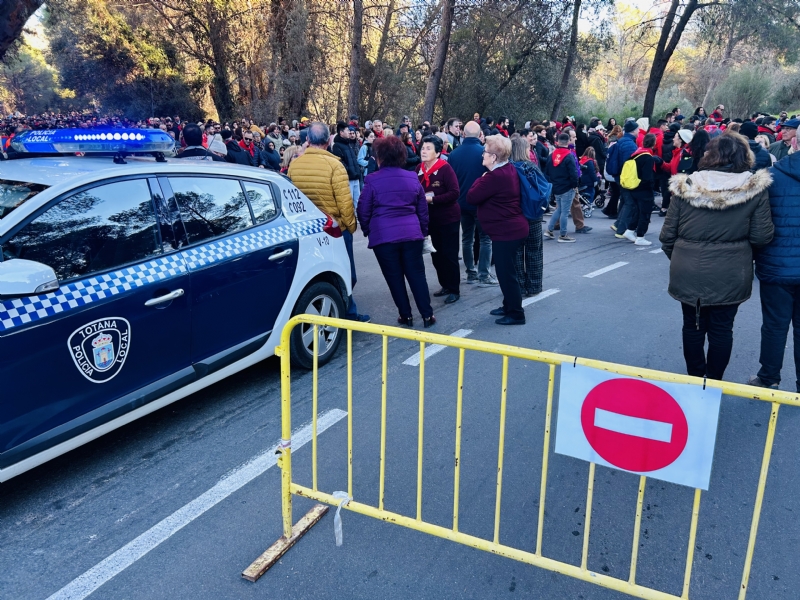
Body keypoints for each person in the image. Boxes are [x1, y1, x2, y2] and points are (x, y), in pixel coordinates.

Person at [660, 133, 774, 380]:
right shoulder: (754, 189)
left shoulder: (686, 186)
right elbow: (761, 236)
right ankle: (713, 382)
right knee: (722, 329)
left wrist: (682, 257)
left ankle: (694, 378)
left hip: (687, 268)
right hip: (732, 270)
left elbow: (667, 235)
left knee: (692, 325)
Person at [289, 122, 369, 322]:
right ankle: (349, 313)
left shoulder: (294, 165)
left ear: (307, 140)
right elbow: (345, 203)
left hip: (306, 228)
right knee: (345, 272)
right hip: (334, 228)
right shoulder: (334, 165)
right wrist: (350, 227)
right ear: (328, 141)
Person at [356, 136, 435, 328]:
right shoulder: (411, 177)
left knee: (394, 277)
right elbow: (422, 209)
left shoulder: (372, 180)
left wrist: (368, 230)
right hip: (411, 234)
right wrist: (422, 232)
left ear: (380, 157)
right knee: (417, 274)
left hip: (384, 236)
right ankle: (427, 315)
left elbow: (363, 209)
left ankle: (405, 315)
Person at [750, 150, 800, 390]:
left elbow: (759, 224)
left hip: (776, 265)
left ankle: (769, 377)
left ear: (793, 142)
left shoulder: (769, 177)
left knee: (774, 325)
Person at [467, 135, 529, 325]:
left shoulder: (493, 177)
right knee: (507, 271)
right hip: (511, 229)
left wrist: (482, 177)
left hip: (507, 232)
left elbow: (471, 197)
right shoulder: (507, 169)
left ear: (493, 157)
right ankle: (508, 305)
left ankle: (516, 313)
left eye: (485, 151)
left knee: (506, 274)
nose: (482, 155)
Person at [449, 121, 495, 286]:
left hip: (462, 202)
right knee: (485, 238)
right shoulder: (484, 153)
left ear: (463, 134)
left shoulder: (454, 154)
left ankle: (470, 273)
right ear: (480, 134)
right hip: (482, 203)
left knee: (467, 239)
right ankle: (484, 274)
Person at [418, 136, 461, 304]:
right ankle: (444, 284)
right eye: (423, 147)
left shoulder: (445, 168)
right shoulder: (418, 169)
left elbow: (455, 193)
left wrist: (432, 199)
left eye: (428, 148)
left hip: (448, 218)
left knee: (449, 254)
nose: (424, 151)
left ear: (437, 152)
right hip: (429, 219)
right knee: (436, 255)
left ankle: (454, 289)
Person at [510, 136, 544, 297]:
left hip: (515, 215)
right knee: (534, 250)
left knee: (516, 252)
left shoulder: (508, 169)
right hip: (534, 214)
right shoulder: (532, 167)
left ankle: (520, 285)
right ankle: (535, 285)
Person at [619, 133, 659, 246]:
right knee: (645, 213)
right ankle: (640, 236)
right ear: (654, 143)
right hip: (644, 190)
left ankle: (630, 230)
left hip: (633, 187)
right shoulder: (648, 157)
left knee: (637, 211)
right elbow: (647, 177)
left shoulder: (636, 154)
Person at [544, 132, 580, 242]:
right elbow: (573, 173)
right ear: (568, 141)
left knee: (559, 209)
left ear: (557, 141)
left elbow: (547, 172)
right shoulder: (569, 156)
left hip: (556, 187)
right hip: (567, 187)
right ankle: (563, 235)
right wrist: (575, 186)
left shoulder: (552, 155)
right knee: (565, 212)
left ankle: (549, 230)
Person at [608, 121, 639, 236]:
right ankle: (621, 230)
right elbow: (629, 164)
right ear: (634, 130)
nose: (639, 131)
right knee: (630, 203)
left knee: (625, 200)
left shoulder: (622, 141)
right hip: (625, 177)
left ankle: (617, 224)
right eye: (638, 129)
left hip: (618, 176)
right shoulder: (629, 144)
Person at [331, 121, 362, 206]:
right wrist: (348, 170)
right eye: (347, 130)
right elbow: (339, 161)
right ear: (341, 132)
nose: (349, 132)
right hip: (347, 178)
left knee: (357, 201)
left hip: (355, 176)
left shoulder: (348, 144)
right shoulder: (337, 146)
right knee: (349, 202)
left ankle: (358, 218)